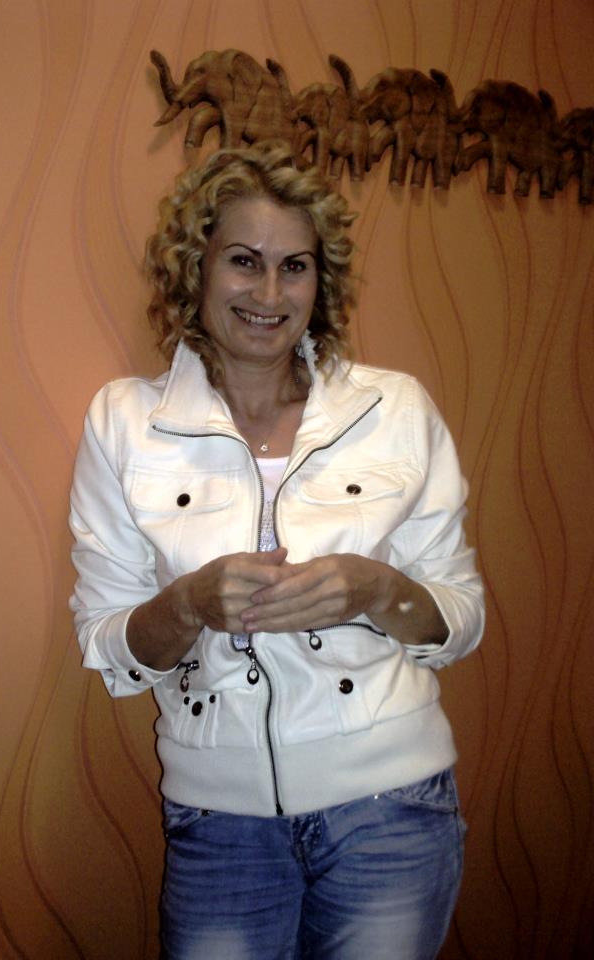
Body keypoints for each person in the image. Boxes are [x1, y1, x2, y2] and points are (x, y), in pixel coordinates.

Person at [69, 140, 484, 960]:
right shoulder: (124, 423)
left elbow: (461, 616)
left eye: (294, 267)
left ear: (320, 283)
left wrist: (377, 591)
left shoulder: (395, 410)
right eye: (243, 261)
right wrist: (188, 603)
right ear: (196, 268)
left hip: (393, 811)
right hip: (218, 825)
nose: (268, 294)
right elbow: (107, 643)